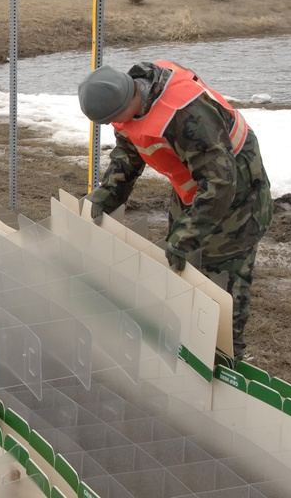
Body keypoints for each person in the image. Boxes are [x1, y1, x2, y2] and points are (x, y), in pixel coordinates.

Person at [77, 61, 273, 365]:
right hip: (194, 183)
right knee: (184, 264)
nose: (113, 125)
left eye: (112, 119)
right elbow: (127, 158)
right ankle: (189, 345)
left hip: (237, 188)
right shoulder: (129, 104)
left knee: (222, 273)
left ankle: (226, 360)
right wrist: (101, 200)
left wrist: (187, 235)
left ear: (129, 99)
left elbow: (221, 181)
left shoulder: (187, 115)